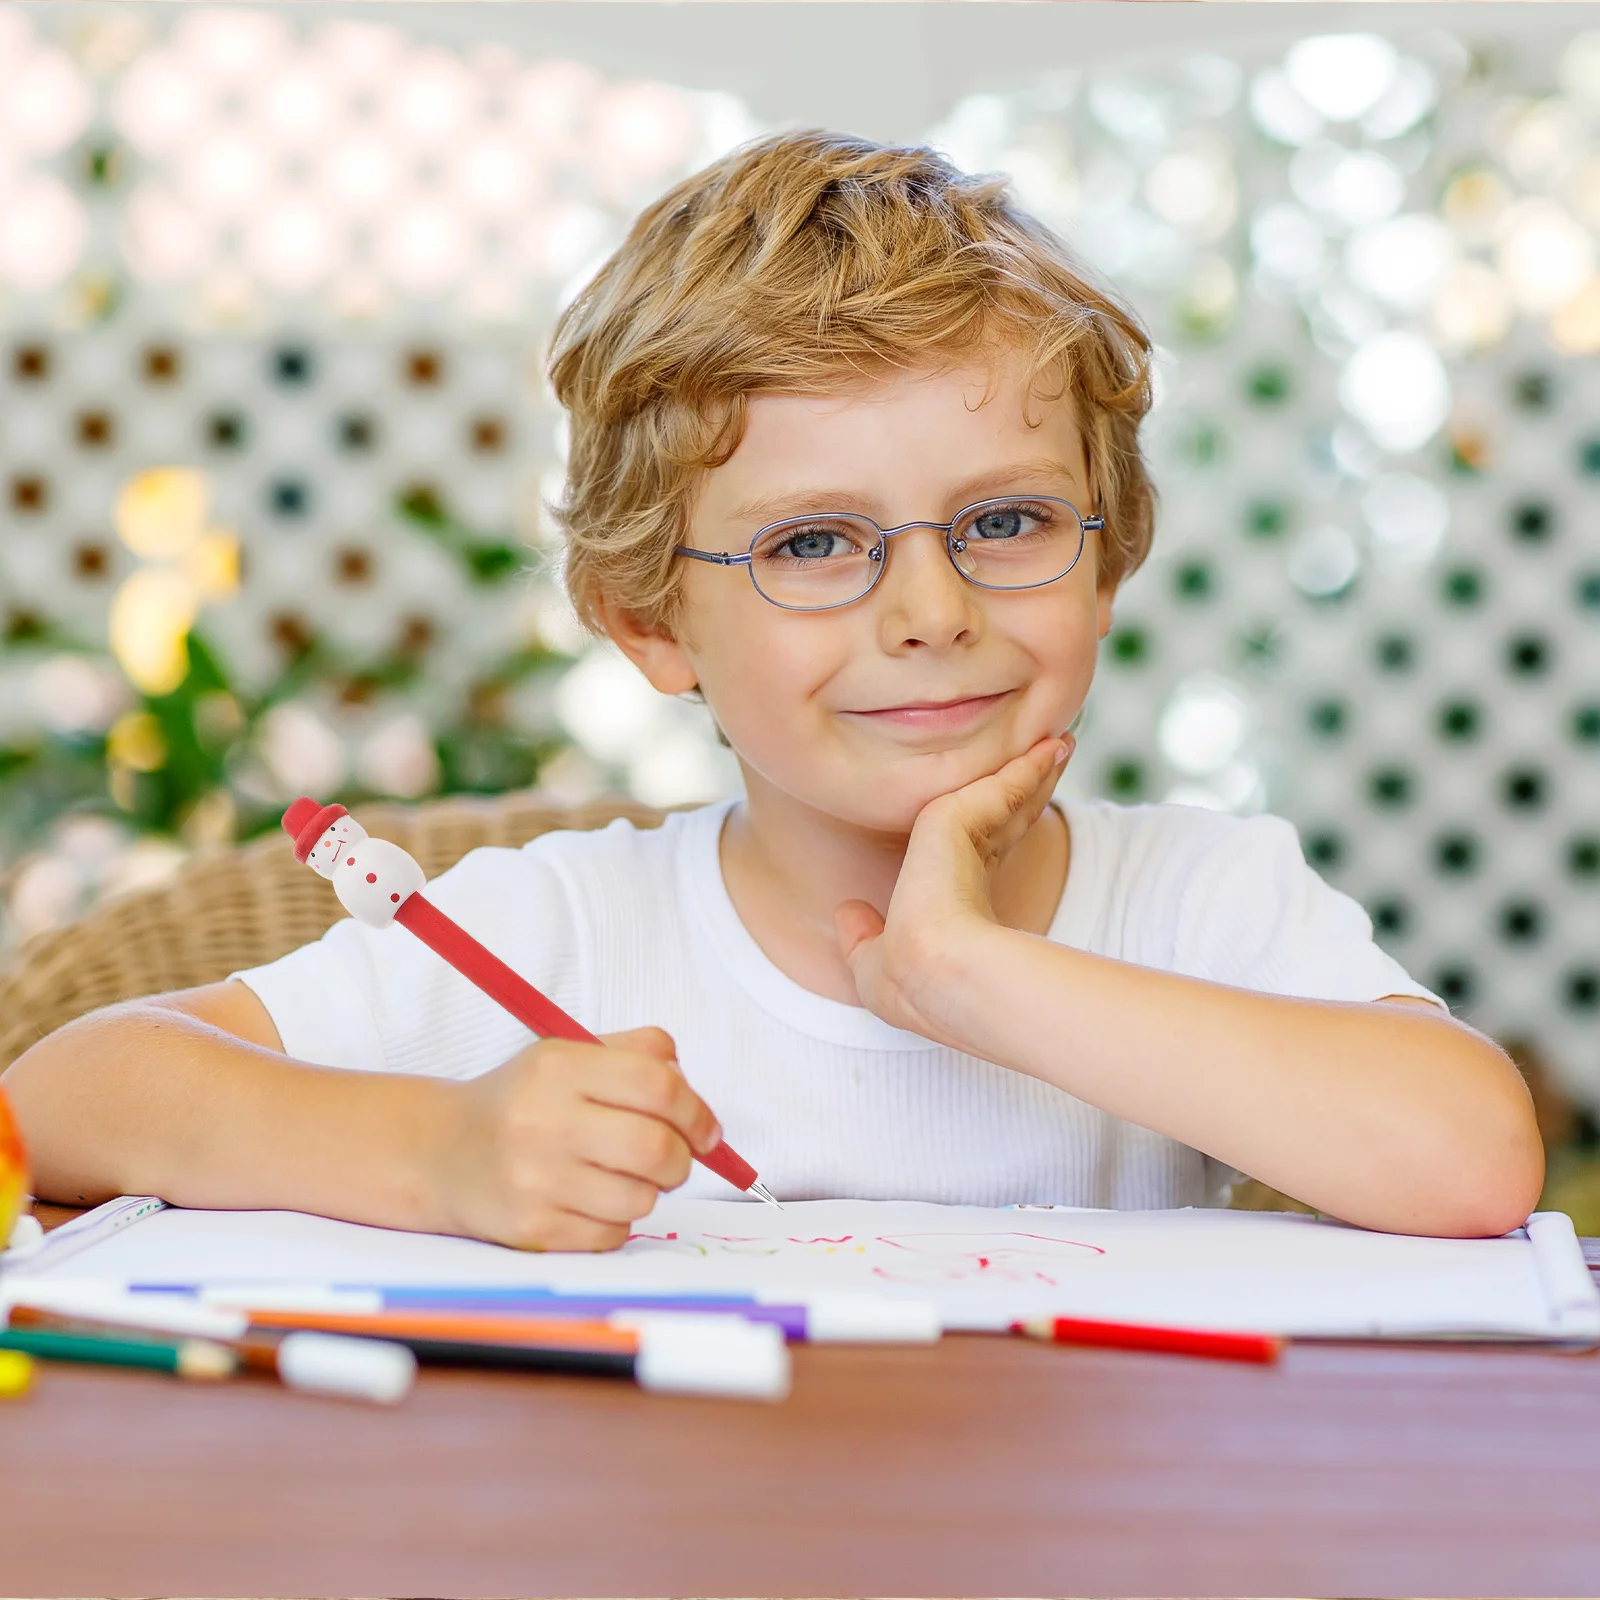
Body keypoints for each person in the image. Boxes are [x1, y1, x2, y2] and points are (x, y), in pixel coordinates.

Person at [3, 132, 1543, 1247]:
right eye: (815, 544)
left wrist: (975, 975)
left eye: (1007, 522)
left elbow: (1470, 1163)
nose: (931, 613)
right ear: (651, 624)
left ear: (1109, 549)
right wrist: (444, 1150)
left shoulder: (1198, 897)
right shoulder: (565, 932)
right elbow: (69, 1095)